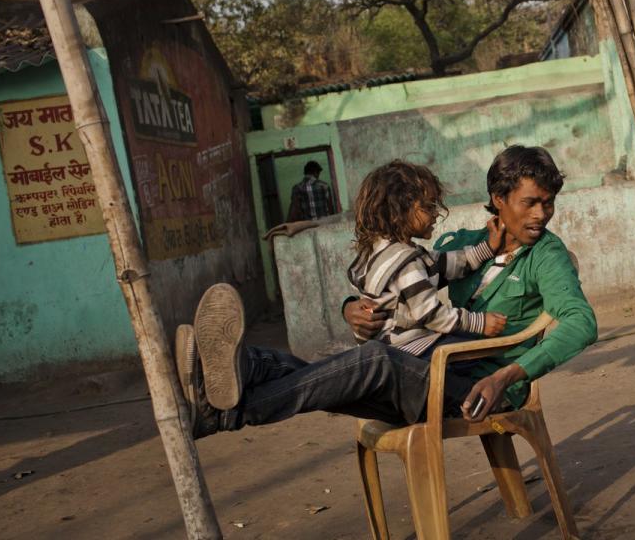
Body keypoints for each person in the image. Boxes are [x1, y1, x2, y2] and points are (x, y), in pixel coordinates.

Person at [176, 145, 597, 437]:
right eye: (531, 203)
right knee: (341, 368)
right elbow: (404, 279)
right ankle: (241, 367)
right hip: (428, 376)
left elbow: (581, 323)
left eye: (549, 202)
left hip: (476, 393)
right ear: (498, 199)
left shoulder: (547, 255)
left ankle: (227, 413)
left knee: (371, 361)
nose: (543, 215)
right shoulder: (462, 245)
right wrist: (351, 309)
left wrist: (510, 375)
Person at [346, 160, 507, 357]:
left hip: (388, 350)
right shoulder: (405, 263)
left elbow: (448, 263)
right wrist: (479, 322)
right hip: (407, 351)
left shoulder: (382, 251)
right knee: (478, 349)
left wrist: (489, 247)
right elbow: (432, 315)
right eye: (428, 206)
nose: (436, 214)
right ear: (400, 210)